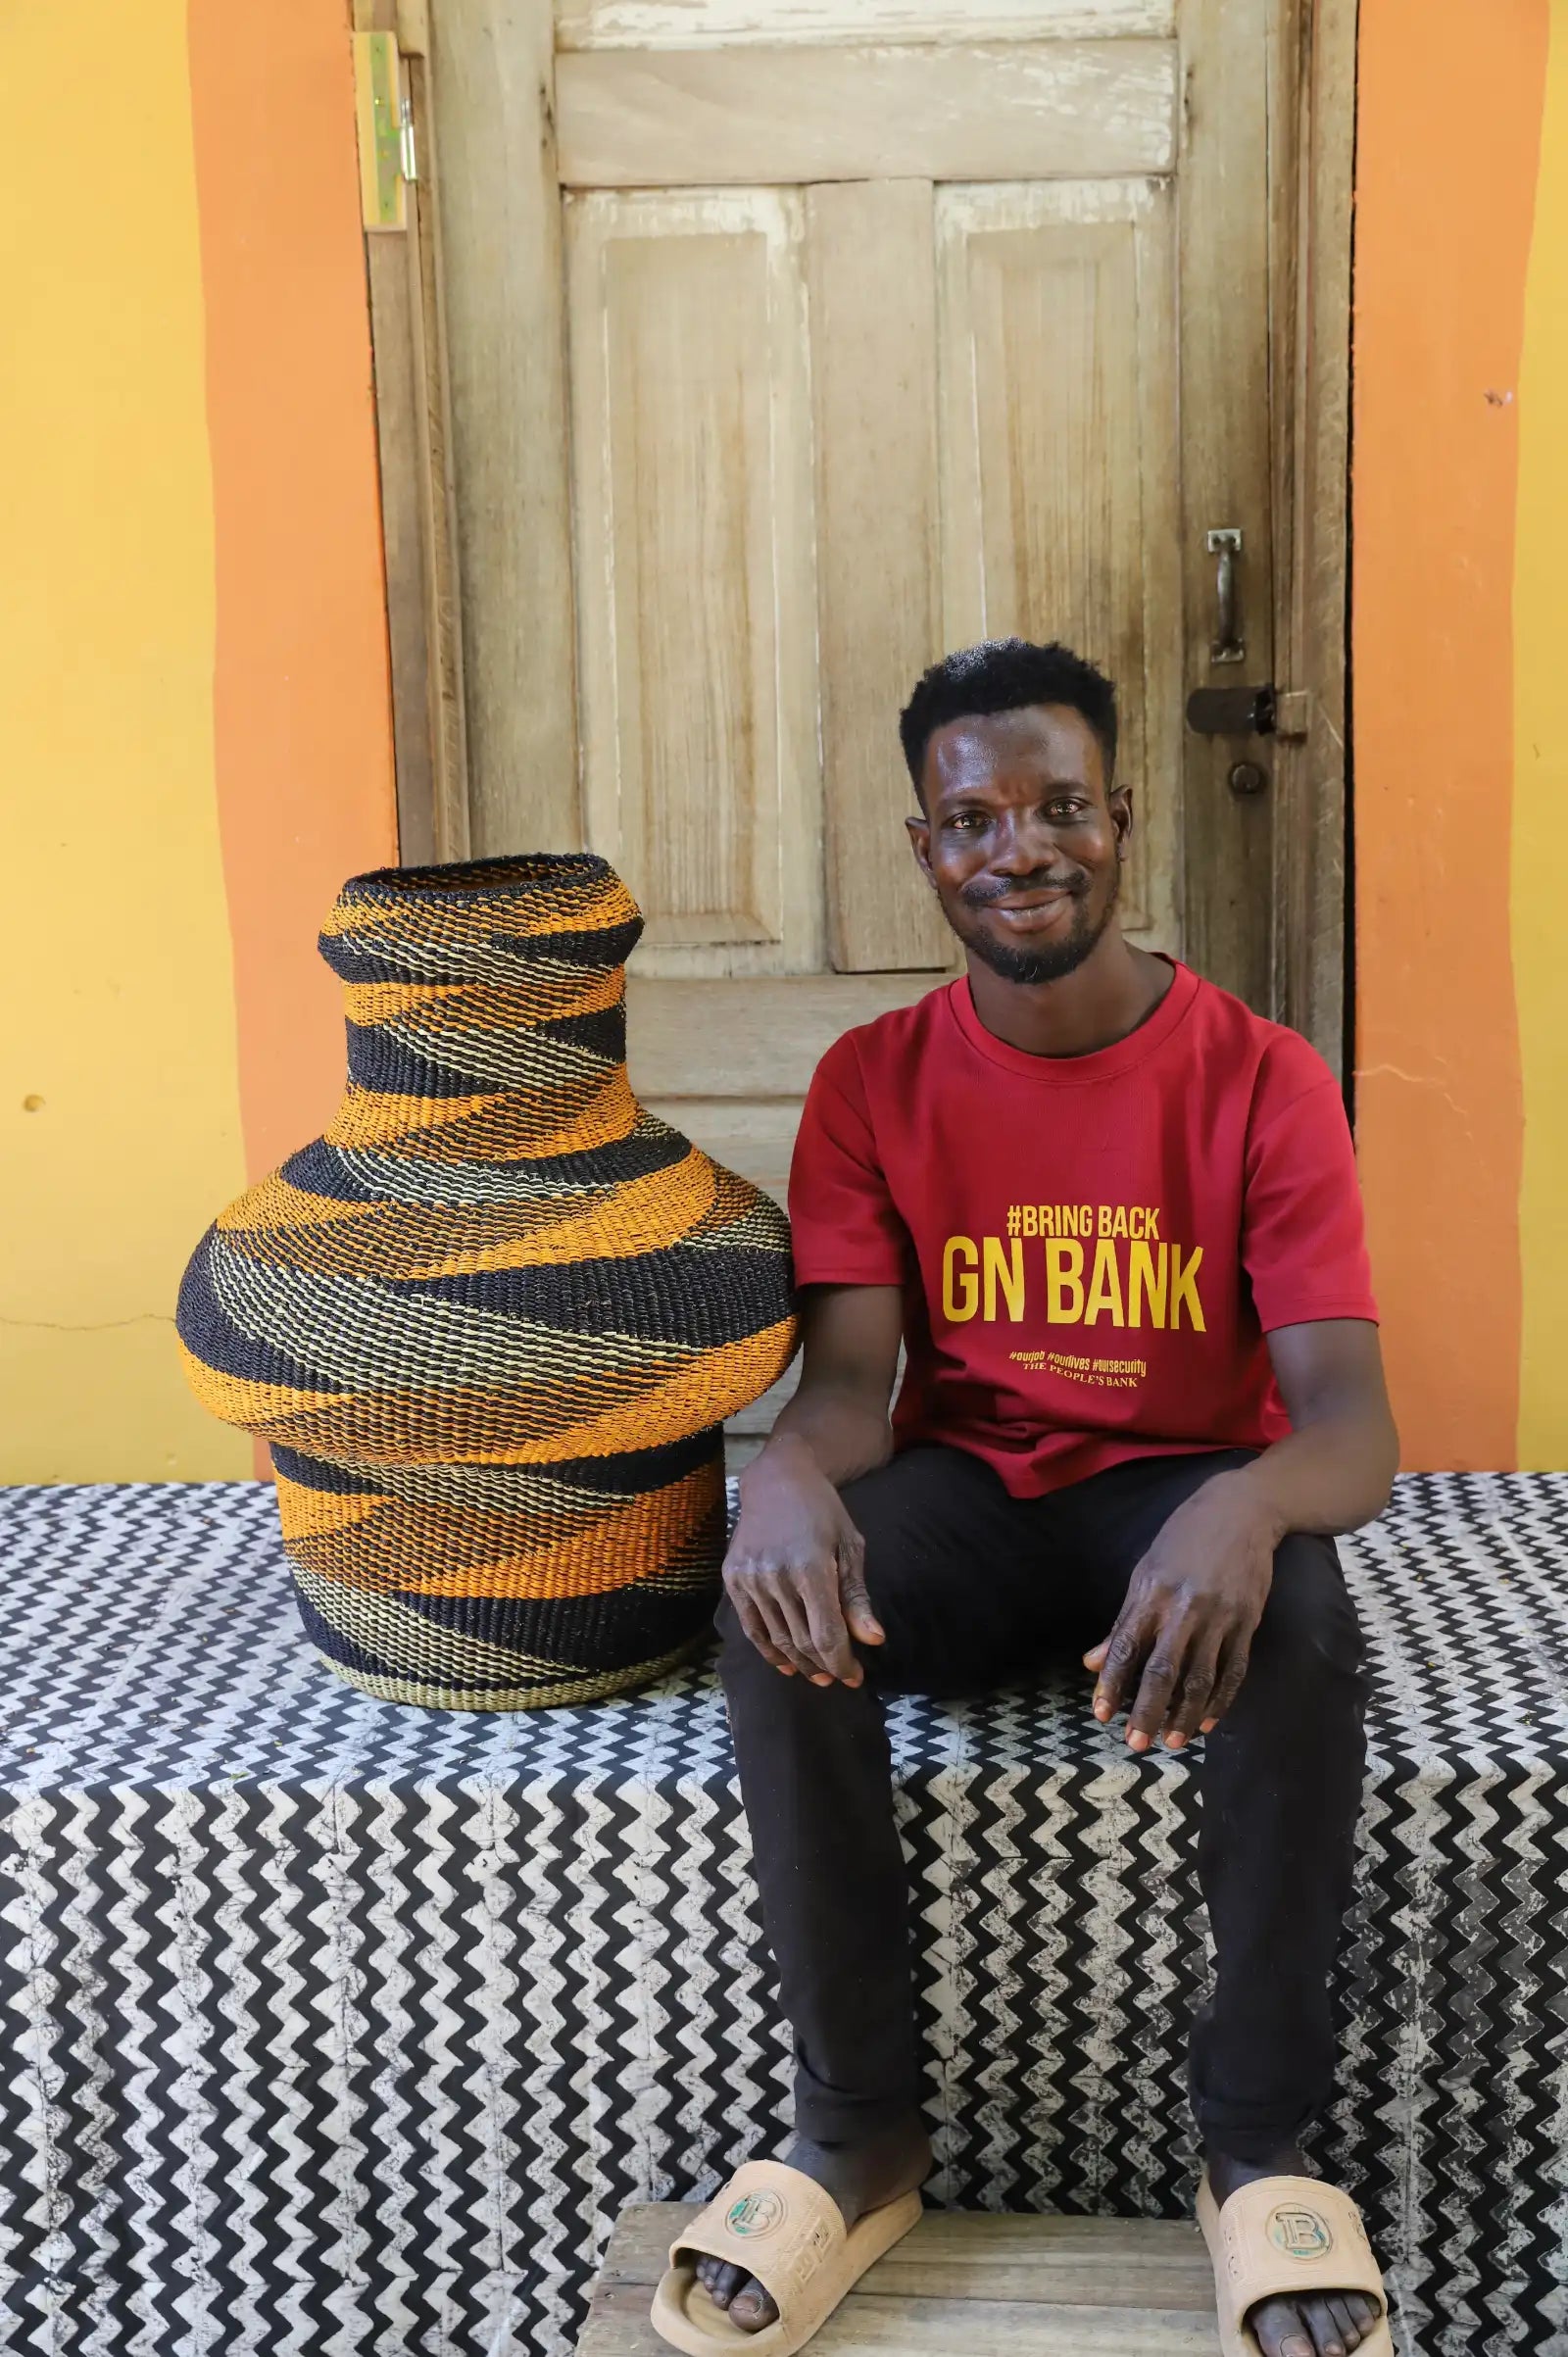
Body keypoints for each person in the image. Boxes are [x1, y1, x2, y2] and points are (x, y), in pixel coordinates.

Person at [650, 638, 1397, 2357]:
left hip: (1180, 1503)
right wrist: (781, 1479)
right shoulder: (872, 1082)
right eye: (971, 816)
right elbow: (850, 1392)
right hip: (979, 1495)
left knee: (1305, 1628)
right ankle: (860, 2128)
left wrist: (1245, 1505)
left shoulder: (1260, 1075)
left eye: (1060, 805)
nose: (1020, 846)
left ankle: (1257, 2148)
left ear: (1122, 821)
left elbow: (1352, 1426)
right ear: (925, 850)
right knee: (773, 1621)